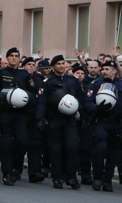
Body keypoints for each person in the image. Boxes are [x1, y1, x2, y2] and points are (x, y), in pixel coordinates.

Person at [0, 48, 41, 186]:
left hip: (21, 114)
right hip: (5, 112)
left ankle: (16, 167)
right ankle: (7, 173)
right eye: (11, 56)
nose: (14, 58)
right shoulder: (0, 74)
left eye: (16, 56)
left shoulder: (24, 75)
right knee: (6, 143)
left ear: (19, 59)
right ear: (6, 58)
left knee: (23, 141)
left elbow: (32, 94)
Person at [36, 55, 86, 189]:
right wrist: (40, 118)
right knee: (56, 149)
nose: (62, 66)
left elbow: (81, 99)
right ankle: (57, 177)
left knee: (72, 146)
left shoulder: (73, 81)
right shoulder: (48, 82)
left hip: (70, 120)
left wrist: (83, 115)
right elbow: (42, 101)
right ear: (53, 66)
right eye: (58, 64)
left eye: (63, 63)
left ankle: (71, 176)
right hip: (54, 119)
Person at [84, 60, 122, 191]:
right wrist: (97, 108)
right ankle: (97, 177)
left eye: (107, 69)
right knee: (100, 149)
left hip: (116, 123)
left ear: (114, 71)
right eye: (103, 69)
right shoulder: (96, 84)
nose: (104, 71)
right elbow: (87, 103)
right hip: (101, 121)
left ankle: (107, 180)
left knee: (113, 153)